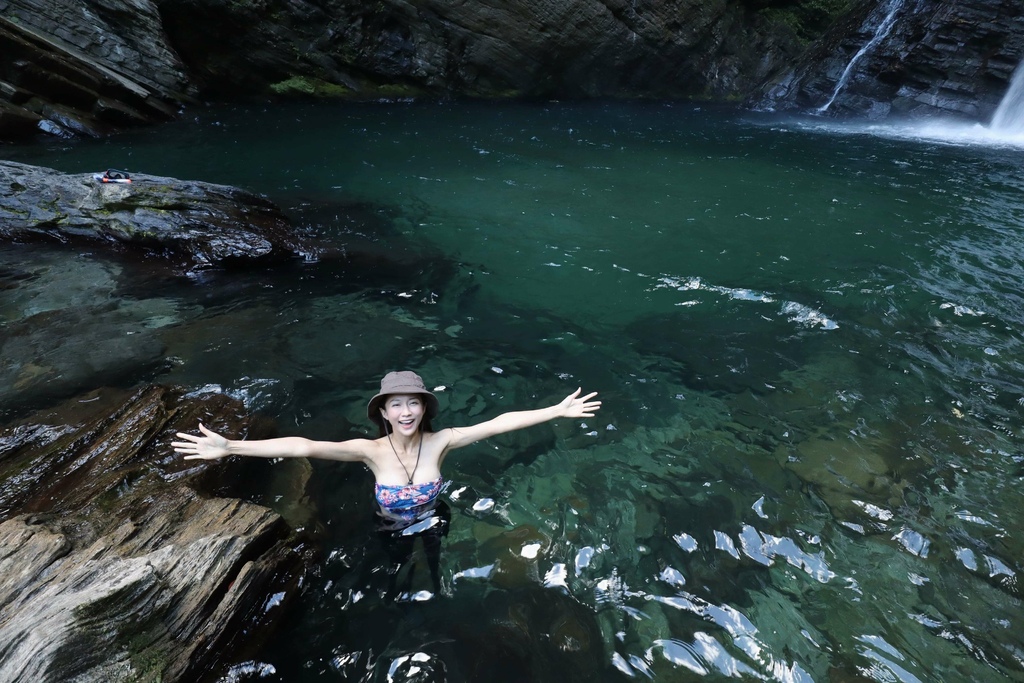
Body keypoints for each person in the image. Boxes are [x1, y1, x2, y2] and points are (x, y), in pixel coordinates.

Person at [173, 370, 601, 598]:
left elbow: (496, 424)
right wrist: (231, 446)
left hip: (434, 515)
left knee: (433, 552)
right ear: (384, 413)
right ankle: (399, 580)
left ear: (423, 407)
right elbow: (304, 444)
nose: (406, 411)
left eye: (413, 402)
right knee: (397, 558)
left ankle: (434, 581)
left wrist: (555, 411)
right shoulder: (368, 450)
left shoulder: (443, 441)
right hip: (390, 522)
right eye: (396, 404)